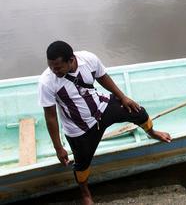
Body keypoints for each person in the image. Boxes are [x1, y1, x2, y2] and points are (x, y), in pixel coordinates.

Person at [38, 41, 172, 205]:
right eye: (50, 66)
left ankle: (152, 132)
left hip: (102, 107)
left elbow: (103, 78)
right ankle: (86, 194)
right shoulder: (47, 82)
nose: (54, 70)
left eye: (58, 67)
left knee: (138, 112)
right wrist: (58, 147)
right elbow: (50, 116)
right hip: (80, 128)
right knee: (82, 164)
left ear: (71, 60)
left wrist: (123, 97)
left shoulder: (88, 59)